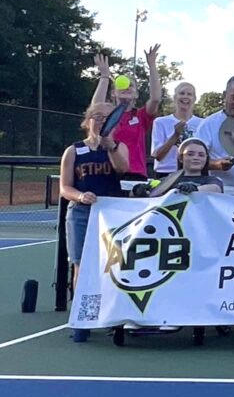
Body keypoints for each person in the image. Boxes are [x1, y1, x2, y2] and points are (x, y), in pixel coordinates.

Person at [59, 102, 130, 342]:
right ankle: (82, 319)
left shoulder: (119, 148)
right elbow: (64, 187)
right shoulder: (74, 151)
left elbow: (123, 169)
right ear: (87, 120)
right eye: (96, 117)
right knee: (81, 265)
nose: (100, 121)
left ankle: (113, 315)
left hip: (112, 215)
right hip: (81, 213)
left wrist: (110, 148)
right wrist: (80, 195)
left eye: (106, 118)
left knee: (114, 265)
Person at [91, 46, 163, 180]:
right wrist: (105, 76)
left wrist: (152, 66)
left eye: (131, 85)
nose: (127, 87)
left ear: (136, 94)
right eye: (123, 85)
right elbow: (95, 108)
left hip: (135, 175)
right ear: (113, 93)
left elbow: (156, 99)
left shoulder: (140, 116)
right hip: (108, 172)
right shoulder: (108, 116)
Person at [151, 82, 204, 178]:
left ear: (195, 99)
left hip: (193, 174)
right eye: (182, 93)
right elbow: (157, 156)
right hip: (166, 173)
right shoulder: (160, 122)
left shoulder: (203, 124)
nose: (185, 97)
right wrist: (175, 135)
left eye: (189, 94)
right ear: (174, 97)